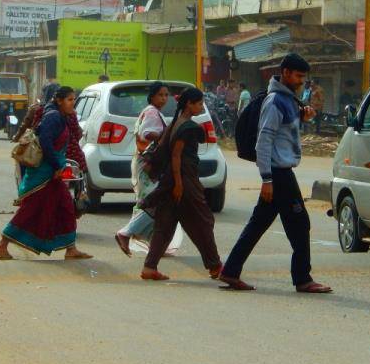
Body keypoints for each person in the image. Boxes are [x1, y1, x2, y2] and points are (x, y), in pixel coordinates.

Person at [219, 53, 332, 293]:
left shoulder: (289, 100)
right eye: (299, 76)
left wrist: (303, 117)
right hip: (279, 175)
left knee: (258, 224)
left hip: (280, 173)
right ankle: (303, 278)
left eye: (304, 77)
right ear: (287, 73)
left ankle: (230, 271)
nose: (302, 81)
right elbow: (264, 141)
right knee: (300, 225)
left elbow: (283, 132)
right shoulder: (275, 101)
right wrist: (267, 179)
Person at [0, 87, 92, 261]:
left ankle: (71, 248)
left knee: (66, 207)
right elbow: (45, 141)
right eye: (69, 99)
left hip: (52, 174)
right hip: (44, 175)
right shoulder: (53, 117)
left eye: (73, 99)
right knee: (30, 210)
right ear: (59, 100)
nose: (72, 103)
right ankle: (2, 244)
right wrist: (57, 165)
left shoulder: (60, 116)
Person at [137, 87, 222, 282]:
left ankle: (150, 267)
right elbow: (176, 156)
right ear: (189, 104)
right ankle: (215, 266)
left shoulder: (177, 122)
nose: (202, 107)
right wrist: (179, 184)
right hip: (184, 180)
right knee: (203, 221)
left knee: (165, 224)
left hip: (172, 181)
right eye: (199, 103)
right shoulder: (187, 127)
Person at [114, 82, 182, 256]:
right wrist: (166, 137)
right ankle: (125, 233)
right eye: (160, 95)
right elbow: (147, 134)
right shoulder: (152, 112)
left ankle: (155, 245)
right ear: (152, 96)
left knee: (153, 203)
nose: (164, 98)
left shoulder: (154, 112)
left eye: (166, 95)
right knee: (153, 203)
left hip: (148, 163)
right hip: (148, 164)